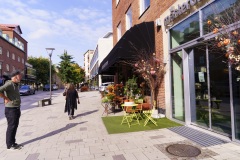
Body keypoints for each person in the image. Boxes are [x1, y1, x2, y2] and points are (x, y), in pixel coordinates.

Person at [0, 70, 23, 150]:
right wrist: (5, 98)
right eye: (20, 76)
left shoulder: (15, 84)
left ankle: (13, 142)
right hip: (11, 110)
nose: (21, 77)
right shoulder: (9, 83)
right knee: (11, 127)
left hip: (16, 108)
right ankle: (9, 145)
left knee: (14, 126)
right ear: (15, 77)